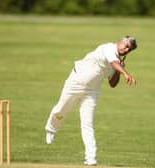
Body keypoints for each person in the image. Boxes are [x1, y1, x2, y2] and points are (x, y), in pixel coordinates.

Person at [45, 36, 137, 166]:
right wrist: (125, 73)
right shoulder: (108, 48)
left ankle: (91, 158)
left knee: (87, 123)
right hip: (75, 82)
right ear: (120, 41)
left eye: (129, 49)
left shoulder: (117, 63)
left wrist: (118, 72)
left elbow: (112, 83)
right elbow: (112, 62)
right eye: (126, 45)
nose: (126, 49)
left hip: (92, 92)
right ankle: (51, 129)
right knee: (61, 109)